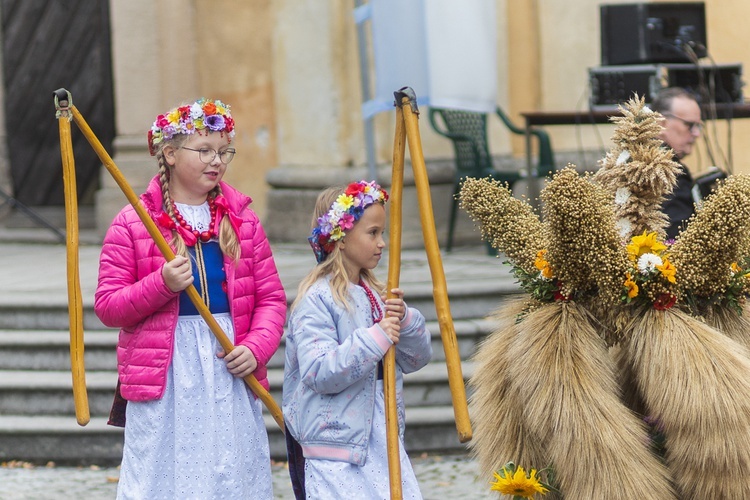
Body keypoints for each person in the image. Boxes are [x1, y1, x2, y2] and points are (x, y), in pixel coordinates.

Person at [94, 98, 286, 499]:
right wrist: (160, 284)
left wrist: (255, 347)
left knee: (231, 474)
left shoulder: (242, 220)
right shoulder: (134, 222)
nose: (216, 160)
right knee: (166, 477)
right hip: (166, 373)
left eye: (223, 151)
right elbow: (109, 305)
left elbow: (271, 298)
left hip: (228, 363)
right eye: (204, 150)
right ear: (169, 153)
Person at [282, 181, 432, 499]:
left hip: (382, 436)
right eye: (373, 233)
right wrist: (375, 337)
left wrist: (404, 321)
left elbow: (417, 359)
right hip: (334, 446)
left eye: (382, 233)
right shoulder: (316, 299)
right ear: (340, 236)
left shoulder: (378, 295)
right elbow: (319, 371)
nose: (383, 243)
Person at [651, 87, 703, 239]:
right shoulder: (669, 169)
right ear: (661, 122)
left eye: (698, 126)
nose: (697, 134)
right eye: (689, 125)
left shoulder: (628, 157)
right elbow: (678, 235)